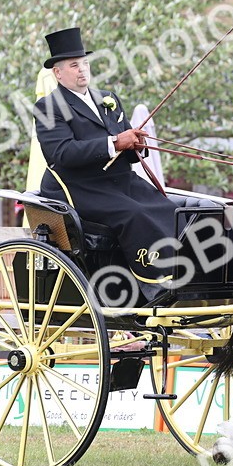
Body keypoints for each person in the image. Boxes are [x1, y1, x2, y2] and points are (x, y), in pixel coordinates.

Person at [33, 27, 178, 303]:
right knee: (135, 213)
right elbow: (62, 153)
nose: (82, 70)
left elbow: (125, 143)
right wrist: (114, 142)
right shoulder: (49, 107)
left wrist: (137, 146)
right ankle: (152, 285)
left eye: (85, 63)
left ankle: (179, 272)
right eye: (74, 65)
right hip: (80, 187)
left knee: (166, 207)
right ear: (58, 73)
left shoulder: (108, 99)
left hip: (120, 181)